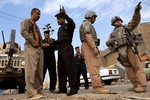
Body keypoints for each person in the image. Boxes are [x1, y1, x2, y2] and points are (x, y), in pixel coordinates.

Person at [106, 2, 147, 93]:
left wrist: (136, 11)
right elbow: (107, 43)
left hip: (130, 48)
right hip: (121, 52)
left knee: (137, 67)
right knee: (129, 70)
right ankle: (136, 85)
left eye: (119, 20)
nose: (118, 21)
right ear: (113, 23)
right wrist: (110, 41)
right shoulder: (112, 34)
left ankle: (142, 85)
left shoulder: (126, 27)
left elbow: (135, 21)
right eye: (116, 21)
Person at [79, 11, 111, 94]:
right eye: (94, 17)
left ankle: (99, 86)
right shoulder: (87, 24)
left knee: (95, 66)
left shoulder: (87, 24)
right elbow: (88, 36)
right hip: (88, 46)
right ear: (90, 17)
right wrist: (94, 48)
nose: (95, 19)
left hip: (88, 45)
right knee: (93, 67)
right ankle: (97, 88)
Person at [21, 8, 48, 99]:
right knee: (31, 70)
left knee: (39, 71)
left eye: (40, 14)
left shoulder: (36, 25)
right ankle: (31, 92)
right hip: (30, 47)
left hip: (39, 49)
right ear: (32, 13)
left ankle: (39, 90)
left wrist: (41, 45)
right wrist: (33, 41)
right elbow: (23, 31)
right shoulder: (27, 21)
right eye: (38, 14)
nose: (39, 16)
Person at [53, 6, 79, 96]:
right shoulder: (59, 29)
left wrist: (66, 15)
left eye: (59, 19)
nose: (58, 21)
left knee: (70, 69)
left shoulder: (68, 25)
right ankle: (62, 88)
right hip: (60, 50)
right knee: (61, 70)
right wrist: (52, 43)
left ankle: (74, 88)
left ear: (64, 19)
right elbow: (59, 42)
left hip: (67, 48)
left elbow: (73, 24)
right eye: (57, 19)